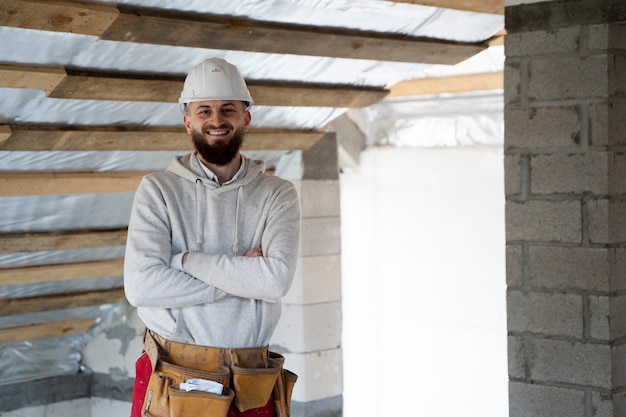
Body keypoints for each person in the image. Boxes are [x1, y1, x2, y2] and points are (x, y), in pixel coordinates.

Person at [124, 58, 301, 417]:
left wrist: (186, 262)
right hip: (171, 375)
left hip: (250, 379)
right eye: (204, 110)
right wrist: (242, 280)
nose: (216, 120)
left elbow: (276, 280)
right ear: (188, 120)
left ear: (245, 119)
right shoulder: (157, 190)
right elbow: (142, 287)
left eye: (227, 109)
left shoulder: (278, 194)